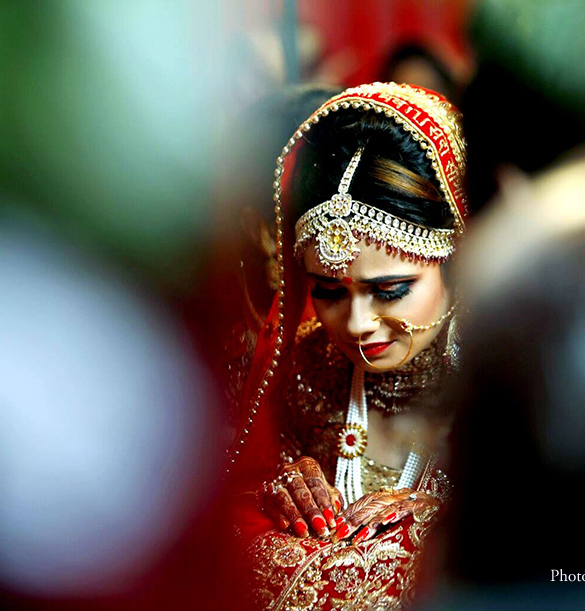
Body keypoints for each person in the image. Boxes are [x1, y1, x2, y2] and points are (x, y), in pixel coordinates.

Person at [225, 82, 467, 611]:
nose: (358, 324)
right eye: (328, 292)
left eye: (390, 290)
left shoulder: (508, 378)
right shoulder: (305, 367)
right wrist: (276, 485)